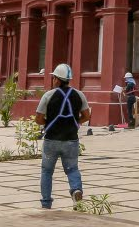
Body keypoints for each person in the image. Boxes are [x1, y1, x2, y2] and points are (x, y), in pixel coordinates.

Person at [33, 63, 90, 209]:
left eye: (54, 78)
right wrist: (75, 123)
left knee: (47, 171)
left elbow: (38, 118)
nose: (53, 81)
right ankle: (76, 190)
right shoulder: (79, 94)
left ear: (57, 79)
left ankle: (46, 202)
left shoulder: (48, 95)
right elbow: (86, 115)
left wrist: (48, 123)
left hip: (51, 140)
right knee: (72, 169)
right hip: (71, 140)